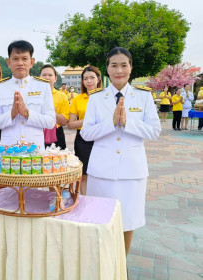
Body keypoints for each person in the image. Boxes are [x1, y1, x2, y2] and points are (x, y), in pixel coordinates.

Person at [81, 47, 161, 256]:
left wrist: (127, 122)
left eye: (124, 65)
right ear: (106, 69)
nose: (119, 70)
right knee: (100, 220)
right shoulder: (96, 98)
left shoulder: (143, 96)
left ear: (131, 68)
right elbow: (87, 133)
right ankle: (102, 264)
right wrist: (112, 122)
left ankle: (120, 267)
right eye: (114, 65)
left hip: (131, 172)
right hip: (102, 171)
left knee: (127, 220)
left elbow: (154, 131)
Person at [0, 40, 56, 149]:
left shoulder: (42, 86)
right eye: (15, 59)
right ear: (8, 62)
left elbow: (51, 122)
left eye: (24, 59)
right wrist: (11, 114)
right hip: (8, 150)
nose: (20, 63)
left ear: (32, 62)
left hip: (35, 150)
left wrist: (27, 114)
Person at [68, 66, 102, 195]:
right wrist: (89, 119)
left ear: (98, 79)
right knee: (84, 174)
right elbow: (71, 124)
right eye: (85, 79)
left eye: (92, 78)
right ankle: (85, 201)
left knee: (101, 173)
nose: (89, 81)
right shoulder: (78, 99)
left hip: (101, 137)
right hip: (83, 140)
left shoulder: (106, 97)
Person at [39, 64, 69, 149]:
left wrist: (49, 112)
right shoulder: (32, 95)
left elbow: (64, 121)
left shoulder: (62, 96)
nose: (47, 77)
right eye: (44, 75)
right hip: (37, 132)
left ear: (55, 78)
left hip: (56, 133)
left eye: (50, 75)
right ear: (39, 77)